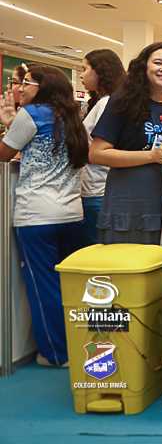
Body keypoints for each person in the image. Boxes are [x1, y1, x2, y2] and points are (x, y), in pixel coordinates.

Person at [0, 65, 90, 367]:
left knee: (44, 286)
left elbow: (4, 153)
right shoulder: (73, 116)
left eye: (27, 83)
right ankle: (79, 345)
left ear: (44, 87)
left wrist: (9, 123)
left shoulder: (32, 113)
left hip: (36, 214)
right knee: (70, 285)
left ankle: (56, 353)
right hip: (71, 213)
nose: (20, 88)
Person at [90, 42, 162, 245]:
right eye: (158, 63)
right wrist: (151, 156)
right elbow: (97, 153)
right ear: (144, 65)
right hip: (129, 200)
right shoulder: (123, 101)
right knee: (129, 258)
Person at [79, 49, 125, 244]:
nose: (81, 75)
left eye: (85, 69)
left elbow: (97, 150)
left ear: (101, 71)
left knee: (97, 249)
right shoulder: (105, 102)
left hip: (98, 189)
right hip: (98, 189)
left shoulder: (107, 103)